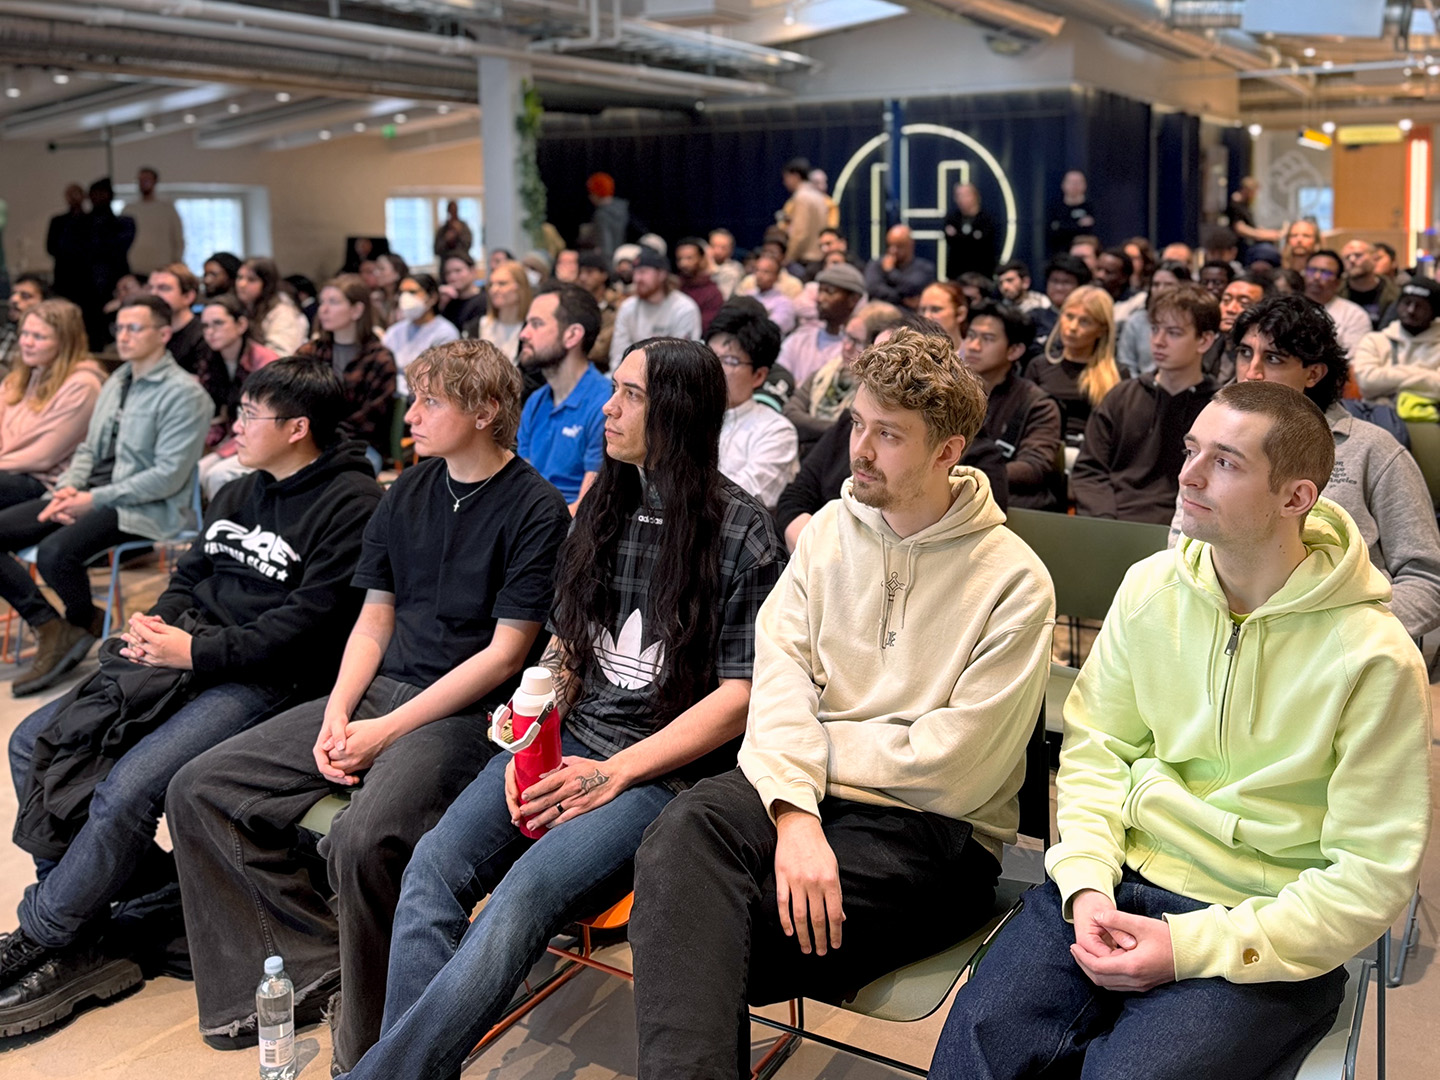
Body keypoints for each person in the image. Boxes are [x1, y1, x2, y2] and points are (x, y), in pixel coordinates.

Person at [934, 379, 1431, 1080]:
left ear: (1296, 497)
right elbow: (1098, 752)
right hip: (1118, 879)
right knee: (978, 1048)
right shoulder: (1151, 588)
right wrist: (1086, 881)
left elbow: (1369, 875)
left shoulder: (1376, 657)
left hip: (1261, 925)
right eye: (1192, 449)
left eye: (1225, 462)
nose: (1188, 474)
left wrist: (1190, 947)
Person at [332, 337, 786, 1080]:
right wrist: (528, 735)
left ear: (677, 411)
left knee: (519, 901)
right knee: (431, 870)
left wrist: (613, 772)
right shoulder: (603, 504)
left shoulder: (742, 531)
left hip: (656, 772)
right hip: (568, 740)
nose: (608, 407)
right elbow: (565, 649)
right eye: (615, 389)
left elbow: (739, 698)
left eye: (631, 395)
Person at [630, 327, 1055, 1080]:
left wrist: (812, 756)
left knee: (703, 931)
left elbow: (956, 765)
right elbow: (780, 679)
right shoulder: (828, 530)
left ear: (948, 451)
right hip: (798, 788)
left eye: (889, 435)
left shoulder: (1015, 581)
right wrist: (795, 811)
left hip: (931, 827)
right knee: (681, 836)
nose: (859, 448)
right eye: (858, 423)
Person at [167, 340, 571, 1073]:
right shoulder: (407, 490)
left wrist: (383, 731)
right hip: (381, 689)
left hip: (467, 713)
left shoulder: (535, 507)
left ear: (485, 411)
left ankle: (366, 1051)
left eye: (430, 403)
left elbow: (504, 656)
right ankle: (306, 963)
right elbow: (374, 619)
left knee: (362, 839)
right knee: (199, 787)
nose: (410, 417)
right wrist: (339, 708)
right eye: (414, 400)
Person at [0, 360, 384, 1035]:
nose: (235, 427)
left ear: (297, 428)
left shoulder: (352, 505)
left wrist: (196, 652)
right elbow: (191, 575)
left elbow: (309, 627)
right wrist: (158, 626)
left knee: (127, 788)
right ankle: (99, 920)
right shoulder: (238, 490)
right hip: (190, 651)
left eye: (250, 415)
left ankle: (48, 933)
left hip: (268, 678)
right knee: (33, 740)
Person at [1178, 294, 1440, 639]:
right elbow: (1181, 545)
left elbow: (1427, 578)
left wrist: (1349, 635)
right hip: (1228, 634)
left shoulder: (1372, 449)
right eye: (1244, 353)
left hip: (1341, 644)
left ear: (1314, 373)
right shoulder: (1212, 438)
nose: (1252, 372)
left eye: (1273, 358)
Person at [0, 295, 211, 696]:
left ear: (164, 334)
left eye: (135, 328)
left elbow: (166, 477)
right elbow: (87, 451)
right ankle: (52, 626)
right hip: (90, 494)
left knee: (55, 554)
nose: (123, 336)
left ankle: (78, 622)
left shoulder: (186, 394)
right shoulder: (117, 381)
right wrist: (68, 488)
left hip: (144, 505)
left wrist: (92, 500)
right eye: (119, 328)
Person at [1073, 284, 1219, 523]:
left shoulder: (1218, 409)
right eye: (1155, 329)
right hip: (1115, 520)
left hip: (1185, 526)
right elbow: (1089, 471)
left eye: (1173, 333)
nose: (1158, 341)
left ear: (1204, 340)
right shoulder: (1121, 396)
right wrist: (1105, 522)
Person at [0, 300, 106, 507]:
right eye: (25, 334)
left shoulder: (83, 385)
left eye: (39, 337)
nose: (27, 342)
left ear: (64, 342)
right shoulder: (16, 379)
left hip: (40, 481)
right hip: (7, 469)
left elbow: (42, 457)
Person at [963, 299, 1064, 510]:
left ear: (1015, 350)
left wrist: (970, 475)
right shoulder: (951, 394)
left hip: (1007, 503)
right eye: (971, 336)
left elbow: (1034, 467)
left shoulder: (1037, 404)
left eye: (987, 339)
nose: (973, 346)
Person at [516, 283, 608, 510]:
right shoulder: (535, 402)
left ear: (572, 335)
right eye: (527, 324)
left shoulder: (605, 404)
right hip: (536, 518)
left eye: (537, 324)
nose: (523, 334)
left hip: (572, 524)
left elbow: (587, 506)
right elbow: (523, 486)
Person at [707, 299, 799, 510]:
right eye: (710, 355)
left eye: (729, 361)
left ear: (758, 376)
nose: (713, 367)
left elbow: (741, 499)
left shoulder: (776, 431)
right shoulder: (686, 415)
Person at [296, 275, 397, 462]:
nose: (323, 310)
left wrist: (329, 435)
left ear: (357, 310)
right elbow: (293, 400)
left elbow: (372, 417)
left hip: (360, 444)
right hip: (309, 440)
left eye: (333, 302)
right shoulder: (309, 353)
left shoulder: (379, 358)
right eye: (322, 302)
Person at [784, 302, 903, 455]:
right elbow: (790, 413)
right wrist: (836, 429)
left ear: (878, 349)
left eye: (857, 342)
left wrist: (812, 428)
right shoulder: (828, 371)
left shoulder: (877, 393)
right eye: (846, 336)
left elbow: (850, 430)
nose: (847, 347)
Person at [194, 294, 281, 497]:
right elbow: (216, 415)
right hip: (233, 437)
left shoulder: (264, 362)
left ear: (241, 325)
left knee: (216, 475)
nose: (210, 332)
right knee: (193, 471)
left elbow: (267, 421)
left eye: (218, 323)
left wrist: (221, 451)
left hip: (265, 440)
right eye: (205, 326)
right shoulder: (210, 361)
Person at [1023, 284, 1120, 439]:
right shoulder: (1039, 366)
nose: (1073, 327)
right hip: (1043, 445)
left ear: (1101, 330)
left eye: (1084, 321)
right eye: (1069, 316)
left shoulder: (1117, 374)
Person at [776, 263, 866, 386]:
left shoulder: (857, 351)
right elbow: (778, 377)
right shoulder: (799, 340)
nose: (820, 298)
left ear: (853, 300)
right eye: (820, 291)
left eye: (829, 292)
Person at [1353, 276, 1440, 402]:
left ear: (1434, 311)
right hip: (1377, 413)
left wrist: (1388, 378)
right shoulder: (1374, 341)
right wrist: (1424, 374)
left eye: (1420, 306)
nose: (1411, 310)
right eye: (1407, 303)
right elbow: (1366, 383)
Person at [609, 250, 702, 366]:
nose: (637, 279)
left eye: (643, 272)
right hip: (630, 373)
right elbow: (618, 355)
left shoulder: (684, 309)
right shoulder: (628, 307)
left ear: (662, 274)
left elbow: (685, 361)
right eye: (635, 273)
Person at [383, 274, 459, 403]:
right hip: (390, 396)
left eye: (412, 292)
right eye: (402, 292)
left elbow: (439, 380)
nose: (405, 297)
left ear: (432, 298)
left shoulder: (445, 333)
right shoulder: (395, 331)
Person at [79, 178, 136, 352]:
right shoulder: (80, 223)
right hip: (85, 288)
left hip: (113, 284)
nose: (98, 197)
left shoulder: (123, 223)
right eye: (94, 194)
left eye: (102, 193)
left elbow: (115, 247)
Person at [1116, 260, 1190, 379]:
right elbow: (1126, 364)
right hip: (1141, 385)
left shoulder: (1191, 321)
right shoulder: (1136, 321)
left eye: (1168, 285)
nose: (1161, 290)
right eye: (1156, 285)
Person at [1206, 272, 1273, 385]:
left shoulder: (1264, 362)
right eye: (1226, 300)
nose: (1230, 309)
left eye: (1244, 303)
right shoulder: (1205, 347)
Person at [235, 258, 310, 356]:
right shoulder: (245, 307)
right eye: (240, 277)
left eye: (251, 279)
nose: (242, 284)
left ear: (266, 284)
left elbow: (280, 356)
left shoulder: (284, 312)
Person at [1303, 249, 1370, 358]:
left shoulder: (1354, 315)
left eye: (1325, 273)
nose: (1316, 277)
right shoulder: (1287, 307)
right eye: (1312, 270)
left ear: (1338, 281)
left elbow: (1351, 360)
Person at [120, 167, 183, 276]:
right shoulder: (129, 209)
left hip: (162, 268)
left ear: (155, 181)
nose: (144, 183)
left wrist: (176, 263)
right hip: (135, 269)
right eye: (141, 180)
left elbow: (178, 239)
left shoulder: (167, 209)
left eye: (147, 179)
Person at [465, 259, 531, 363]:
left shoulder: (531, 330)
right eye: (491, 284)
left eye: (502, 283)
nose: (493, 290)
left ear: (520, 287)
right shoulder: (478, 326)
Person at [145, 263, 205, 374]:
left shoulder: (202, 335)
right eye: (150, 288)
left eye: (164, 288)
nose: (154, 294)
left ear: (188, 297)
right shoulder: (147, 332)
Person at [864, 224, 935, 308]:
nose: (892, 250)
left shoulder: (924, 268)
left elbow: (911, 288)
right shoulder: (876, 265)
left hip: (911, 314)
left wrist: (890, 272)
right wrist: (902, 300)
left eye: (899, 246)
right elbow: (873, 289)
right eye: (890, 245)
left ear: (910, 245)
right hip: (881, 312)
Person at [1339, 239, 1401, 329]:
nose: (1352, 260)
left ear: (1373, 259)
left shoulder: (1394, 294)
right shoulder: (1334, 293)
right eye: (1347, 257)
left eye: (1358, 255)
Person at [45, 184, 90, 307]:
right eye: (71, 195)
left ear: (84, 196)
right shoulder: (58, 221)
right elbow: (51, 247)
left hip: (86, 278)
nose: (74, 198)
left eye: (77, 194)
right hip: (64, 277)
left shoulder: (91, 220)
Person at [943, 182, 998, 280]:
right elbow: (951, 240)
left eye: (966, 195)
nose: (962, 199)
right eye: (958, 196)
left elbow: (981, 244)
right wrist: (972, 237)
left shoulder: (986, 220)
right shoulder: (952, 219)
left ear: (975, 196)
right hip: (956, 274)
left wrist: (958, 237)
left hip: (982, 274)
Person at [781, 158, 828, 266]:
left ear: (795, 176)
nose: (785, 182)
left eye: (786, 178)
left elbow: (800, 232)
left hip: (806, 258)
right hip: (819, 256)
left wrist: (789, 257)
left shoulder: (801, 197)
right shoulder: (818, 196)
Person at [1, 274, 52, 375]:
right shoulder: (6, 330)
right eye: (13, 294)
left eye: (25, 296)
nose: (14, 299)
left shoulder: (45, 339)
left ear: (43, 303)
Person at [675, 237, 724, 334]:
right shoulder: (673, 286)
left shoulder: (712, 293)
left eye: (689, 258)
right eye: (679, 259)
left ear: (702, 259)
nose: (683, 263)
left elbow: (706, 328)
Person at [740, 254, 798, 335]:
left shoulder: (784, 303)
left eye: (766, 272)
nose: (759, 275)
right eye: (757, 270)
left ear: (776, 276)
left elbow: (772, 329)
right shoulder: (748, 296)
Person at [1047, 168, 1096, 254]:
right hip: (1059, 253)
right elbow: (1052, 231)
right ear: (1063, 185)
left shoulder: (1092, 207)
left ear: (1085, 185)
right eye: (1071, 182)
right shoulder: (1054, 208)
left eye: (1078, 182)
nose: (1074, 186)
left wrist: (1065, 226)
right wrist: (1078, 225)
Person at [1225, 175, 1280, 248]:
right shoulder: (1236, 205)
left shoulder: (1245, 204)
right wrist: (1262, 235)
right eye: (1253, 192)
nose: (1254, 195)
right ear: (1246, 190)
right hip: (1241, 245)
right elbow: (1240, 228)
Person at [587, 173, 631, 263]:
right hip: (625, 258)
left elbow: (605, 246)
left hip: (610, 262)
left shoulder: (601, 215)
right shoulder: (623, 208)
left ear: (595, 194)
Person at [437, 253, 486, 331]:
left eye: (458, 270)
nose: (452, 277)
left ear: (473, 271)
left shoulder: (485, 300)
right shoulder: (448, 303)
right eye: (448, 273)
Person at [918, 281, 969, 351]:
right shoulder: (912, 354)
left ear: (960, 314)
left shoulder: (974, 354)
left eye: (936, 309)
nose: (926, 316)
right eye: (923, 310)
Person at [708, 228, 744, 299]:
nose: (718, 251)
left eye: (723, 248)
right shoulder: (700, 266)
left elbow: (723, 298)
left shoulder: (734, 270)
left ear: (731, 249)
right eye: (714, 246)